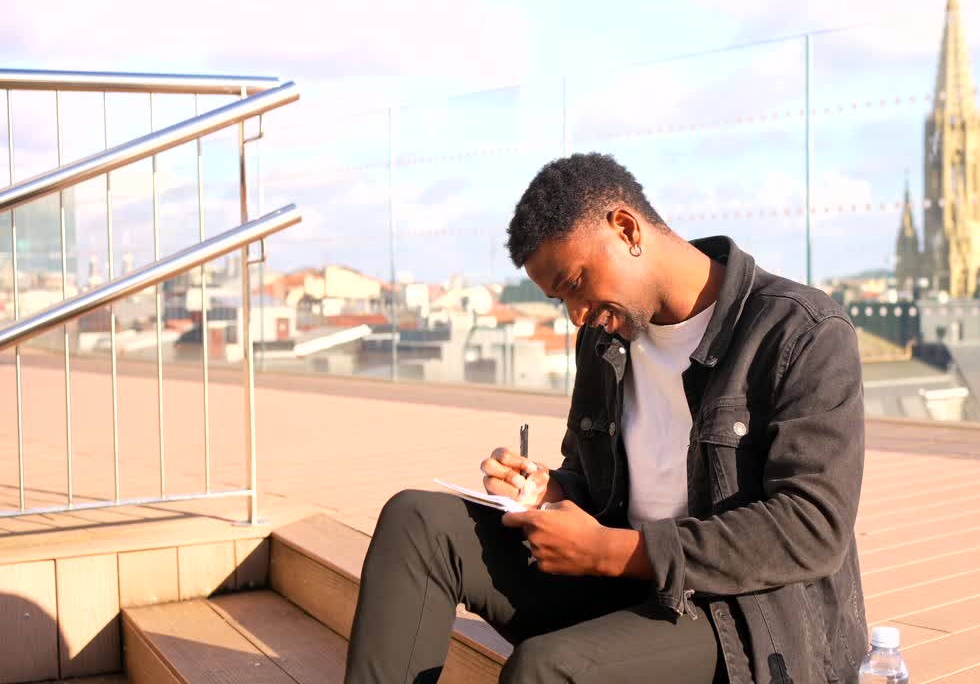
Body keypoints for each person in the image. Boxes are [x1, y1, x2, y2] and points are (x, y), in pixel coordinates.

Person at [344, 153, 867, 684]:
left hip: (738, 619)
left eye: (576, 283)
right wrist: (549, 491)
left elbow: (813, 527)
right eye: (559, 298)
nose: (576, 314)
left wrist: (614, 551)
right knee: (417, 520)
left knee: (544, 670)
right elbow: (596, 485)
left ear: (626, 229)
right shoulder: (604, 339)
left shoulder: (800, 331)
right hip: (619, 578)